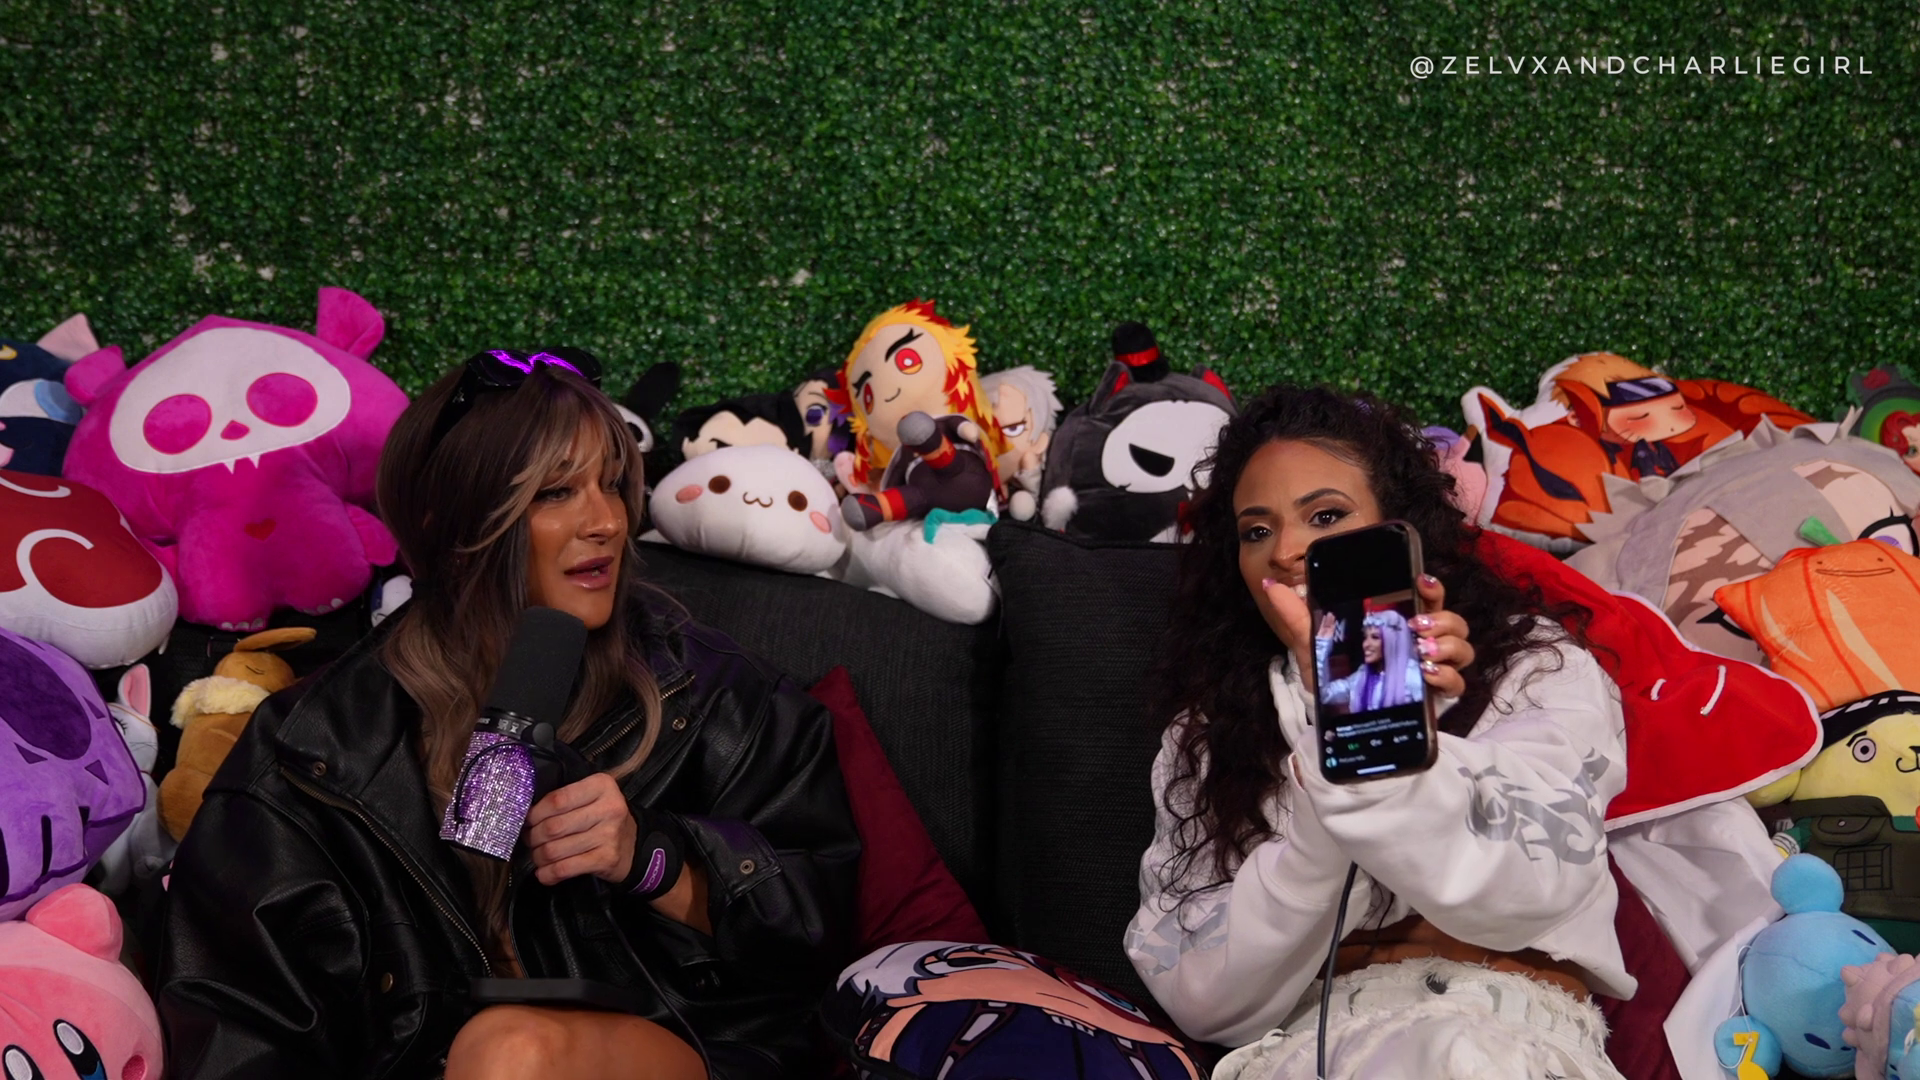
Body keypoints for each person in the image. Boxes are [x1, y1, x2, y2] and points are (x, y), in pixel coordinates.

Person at [157, 349, 861, 1080]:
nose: (606, 522)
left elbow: (819, 938)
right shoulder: (310, 749)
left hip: (684, 1049)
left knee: (511, 1052)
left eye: (612, 484)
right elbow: (238, 1024)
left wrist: (655, 858)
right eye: (555, 493)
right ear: (452, 525)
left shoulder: (715, 693)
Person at [1125, 385, 1632, 1079]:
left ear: (1401, 526)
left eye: (1326, 515)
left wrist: (1384, 728)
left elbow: (1537, 879)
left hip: (1504, 1036)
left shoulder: (1534, 666)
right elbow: (1199, 996)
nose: (1287, 550)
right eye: (1256, 531)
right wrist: (1322, 789)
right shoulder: (1209, 735)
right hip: (1308, 1051)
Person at [1313, 609, 1421, 712]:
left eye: (1375, 637)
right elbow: (1324, 694)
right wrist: (1322, 645)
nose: (1366, 644)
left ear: (1392, 641)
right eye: (1365, 637)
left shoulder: (1412, 674)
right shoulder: (1361, 676)